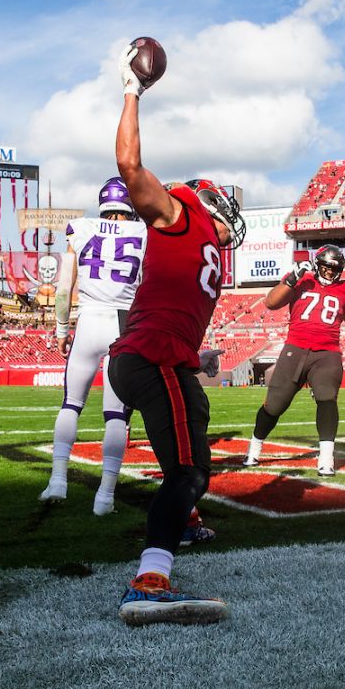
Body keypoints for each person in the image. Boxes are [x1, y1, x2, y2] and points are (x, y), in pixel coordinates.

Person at [106, 43, 246, 627]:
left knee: (193, 437)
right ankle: (150, 578)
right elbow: (132, 171)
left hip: (163, 356)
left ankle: (182, 522)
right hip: (151, 356)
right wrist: (133, 91)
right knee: (188, 471)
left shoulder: (207, 242)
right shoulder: (180, 213)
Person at [241, 246, 345, 477]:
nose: (329, 272)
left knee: (327, 399)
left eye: (334, 268)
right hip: (295, 349)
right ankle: (255, 446)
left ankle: (326, 458)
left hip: (327, 354)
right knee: (275, 405)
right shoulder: (301, 280)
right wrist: (292, 278)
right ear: (317, 265)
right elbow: (270, 302)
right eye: (326, 267)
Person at [38, 177, 148, 516]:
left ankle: (58, 480)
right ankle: (105, 497)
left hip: (87, 320)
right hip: (124, 323)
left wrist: (61, 328)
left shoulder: (81, 228)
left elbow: (61, 289)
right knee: (116, 416)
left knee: (71, 404)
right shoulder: (145, 233)